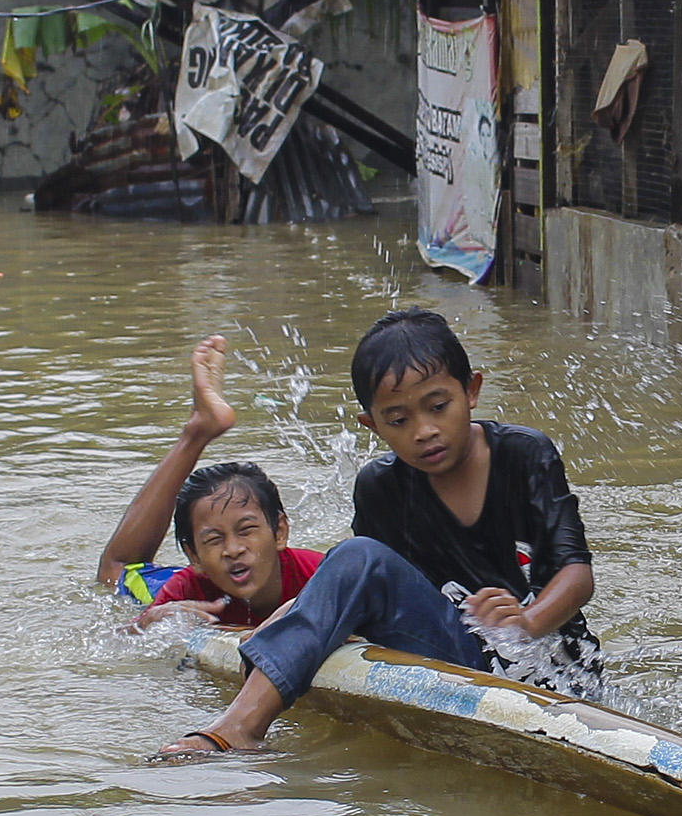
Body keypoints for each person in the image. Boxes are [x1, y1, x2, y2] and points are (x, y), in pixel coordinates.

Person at [160, 307, 594, 758]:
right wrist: (287, 622)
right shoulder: (379, 485)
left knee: (354, 556)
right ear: (372, 425)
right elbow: (368, 588)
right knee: (356, 556)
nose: (425, 431)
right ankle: (240, 726)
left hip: (545, 663)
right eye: (398, 419)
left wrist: (527, 621)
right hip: (458, 651)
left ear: (472, 391)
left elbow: (577, 575)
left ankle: (240, 724)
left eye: (439, 406)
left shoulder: (525, 455)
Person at [96, 335, 318, 626]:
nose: (233, 550)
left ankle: (200, 428)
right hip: (178, 589)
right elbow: (116, 643)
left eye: (247, 530)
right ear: (194, 556)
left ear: (279, 532)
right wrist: (148, 622)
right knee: (115, 572)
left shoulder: (320, 575)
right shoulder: (188, 590)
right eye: (214, 540)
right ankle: (196, 431)